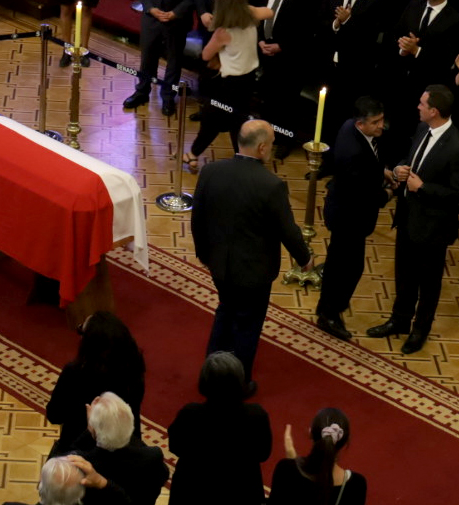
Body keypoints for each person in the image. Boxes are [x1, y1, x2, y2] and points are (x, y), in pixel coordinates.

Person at [191, 120, 312, 387]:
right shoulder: (271, 185)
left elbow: (197, 218)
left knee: (226, 310)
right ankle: (239, 383)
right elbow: (287, 230)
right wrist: (305, 258)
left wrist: (204, 254)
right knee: (247, 324)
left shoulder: (211, 171)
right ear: (260, 148)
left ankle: (211, 373)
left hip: (219, 265)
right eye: (270, 144)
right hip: (253, 273)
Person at [368, 85, 459, 354]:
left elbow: (457, 195)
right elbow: (411, 159)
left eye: (422, 104)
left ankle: (420, 330)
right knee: (404, 274)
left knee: (429, 283)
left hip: (433, 227)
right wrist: (399, 168)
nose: (417, 107)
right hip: (408, 217)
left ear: (435, 111)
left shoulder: (456, 145)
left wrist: (424, 188)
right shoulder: (422, 129)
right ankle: (400, 320)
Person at [315, 98, 390, 341]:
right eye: (376, 122)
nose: (382, 126)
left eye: (381, 119)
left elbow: (370, 170)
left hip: (345, 210)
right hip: (350, 217)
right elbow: (368, 193)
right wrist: (390, 191)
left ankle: (329, 307)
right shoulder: (354, 154)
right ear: (361, 124)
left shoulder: (349, 126)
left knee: (341, 265)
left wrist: (382, 171)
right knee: (346, 268)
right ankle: (329, 313)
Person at [181, 0, 270, 171]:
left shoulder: (223, 32)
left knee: (213, 120)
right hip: (249, 79)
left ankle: (195, 154)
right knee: (236, 122)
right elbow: (268, 12)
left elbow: (205, 55)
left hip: (230, 84)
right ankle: (245, 161)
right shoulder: (251, 16)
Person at [167, 352, 272, 505]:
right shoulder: (257, 415)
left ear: (204, 382)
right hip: (242, 491)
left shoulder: (190, 414)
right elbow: (263, 454)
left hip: (192, 490)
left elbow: (175, 446)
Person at [257, 0, 324, 158]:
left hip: (290, 56)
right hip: (265, 48)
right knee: (267, 97)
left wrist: (282, 46)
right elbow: (261, 10)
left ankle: (284, 140)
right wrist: (260, 39)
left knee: (286, 102)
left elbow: (308, 29)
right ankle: (264, 135)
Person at [45, 312, 145, 455]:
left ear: (88, 342)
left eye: (81, 330)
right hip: (121, 450)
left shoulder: (75, 372)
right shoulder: (133, 372)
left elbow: (54, 415)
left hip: (76, 450)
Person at [384, 0, 459, 159]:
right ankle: (391, 172)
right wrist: (402, 48)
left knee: (418, 137)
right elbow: (395, 35)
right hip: (402, 83)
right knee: (396, 133)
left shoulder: (455, 19)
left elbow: (446, 59)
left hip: (429, 88)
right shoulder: (413, 6)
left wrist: (416, 51)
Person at [316, 0, 386, 131]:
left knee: (347, 116)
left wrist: (347, 21)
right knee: (326, 113)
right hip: (329, 64)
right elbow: (320, 21)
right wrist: (336, 23)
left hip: (355, 69)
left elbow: (369, 37)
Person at [64, 393, 168, 505]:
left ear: (94, 430)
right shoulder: (152, 456)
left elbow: (55, 462)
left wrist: (90, 430)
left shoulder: (81, 463)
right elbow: (163, 475)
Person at [269, 408, 366, 505]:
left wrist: (292, 463)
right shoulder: (357, 485)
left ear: (311, 433)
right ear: (345, 442)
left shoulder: (285, 469)